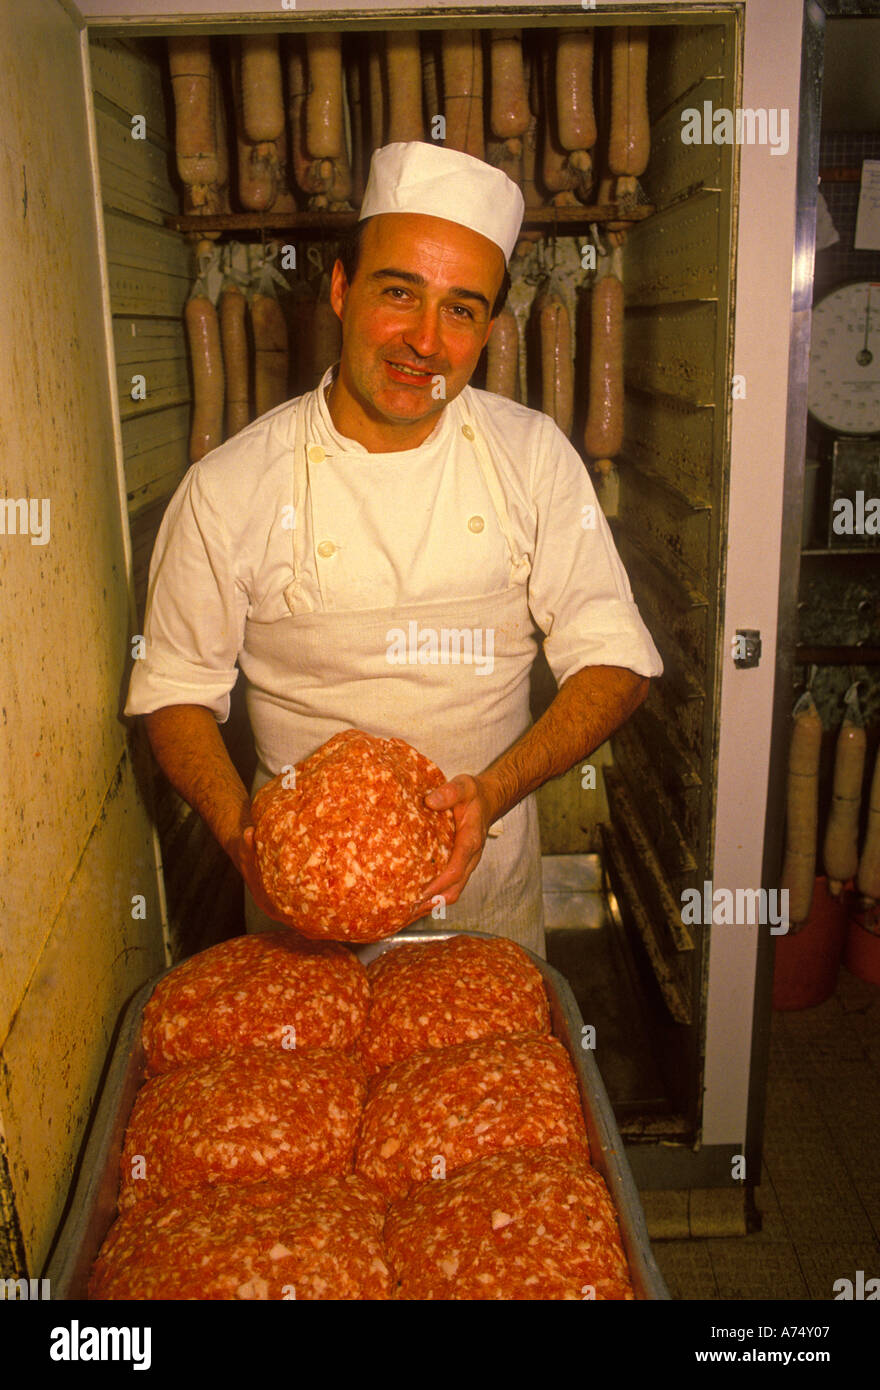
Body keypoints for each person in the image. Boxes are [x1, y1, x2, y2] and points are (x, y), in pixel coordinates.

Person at [124, 141, 662, 957]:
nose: (424, 341)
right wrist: (246, 841)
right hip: (297, 920)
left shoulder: (533, 457)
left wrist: (495, 792)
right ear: (340, 290)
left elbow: (617, 662)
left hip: (483, 906)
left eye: (461, 309)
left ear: (489, 328)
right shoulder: (229, 487)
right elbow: (175, 692)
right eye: (398, 292)